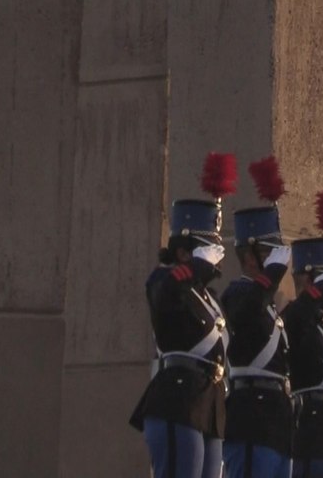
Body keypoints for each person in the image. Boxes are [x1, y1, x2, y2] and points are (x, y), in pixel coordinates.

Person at [131, 153, 236, 478]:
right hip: (177, 398)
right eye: (208, 249)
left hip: (210, 403)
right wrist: (194, 267)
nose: (216, 260)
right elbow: (164, 296)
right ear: (183, 252)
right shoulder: (165, 278)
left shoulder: (210, 298)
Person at [222, 155, 294, 478]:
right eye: (268, 252)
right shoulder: (237, 293)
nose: (275, 260)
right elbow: (246, 310)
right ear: (249, 256)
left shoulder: (269, 305)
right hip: (251, 418)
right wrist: (272, 276)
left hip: (276, 423)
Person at [282, 191, 323, 478]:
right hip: (309, 427)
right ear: (309, 280)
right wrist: (315, 292)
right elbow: (294, 320)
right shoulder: (297, 315)